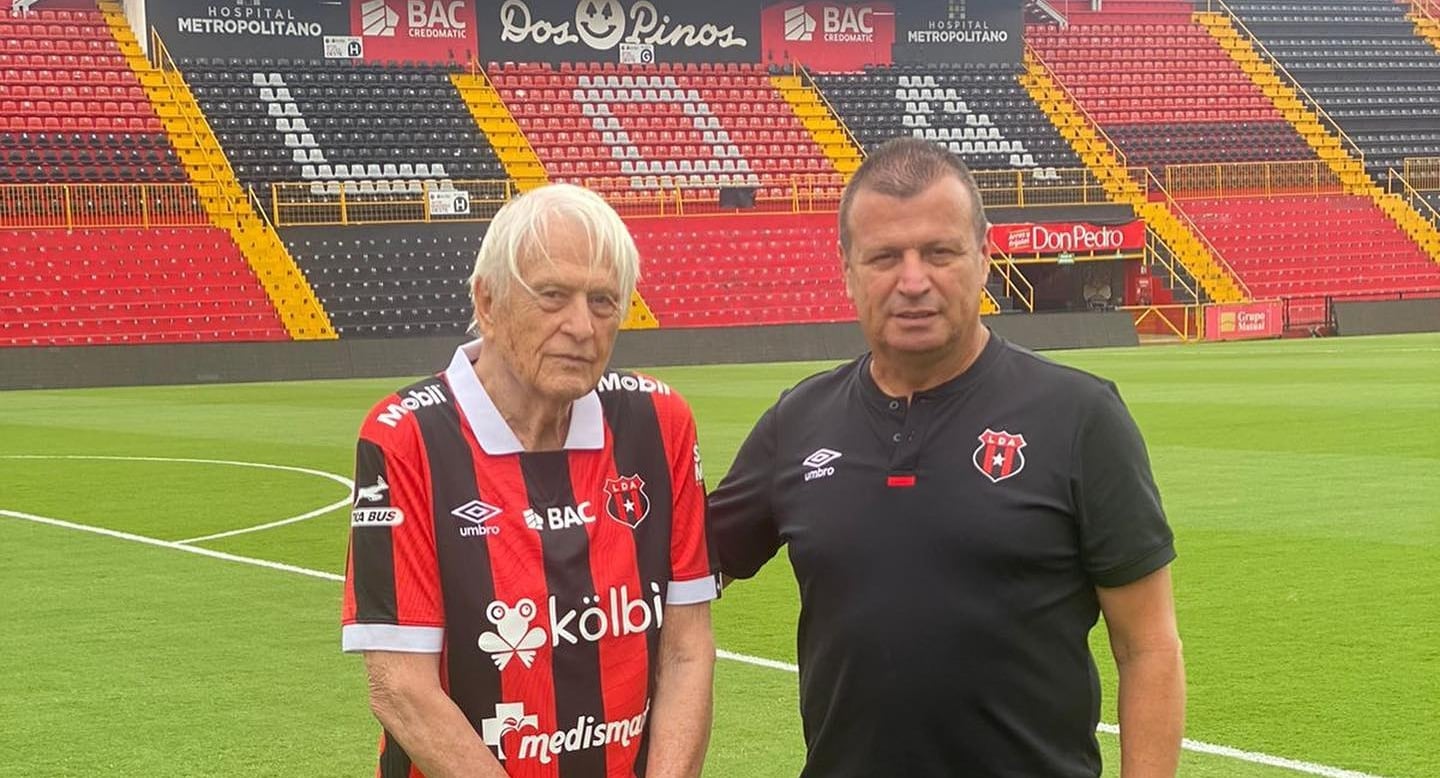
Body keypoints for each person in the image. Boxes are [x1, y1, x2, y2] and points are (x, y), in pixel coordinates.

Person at [708, 138, 1185, 777]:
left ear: (984, 256)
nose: (913, 281)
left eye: (939, 252)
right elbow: (687, 568)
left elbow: (1148, 646)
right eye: (884, 257)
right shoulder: (798, 421)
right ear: (847, 268)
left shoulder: (1079, 415)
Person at [342, 183, 717, 778]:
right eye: (552, 296)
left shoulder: (659, 423)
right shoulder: (405, 437)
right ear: (487, 304)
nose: (582, 327)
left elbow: (687, 646)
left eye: (603, 301)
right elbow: (400, 688)